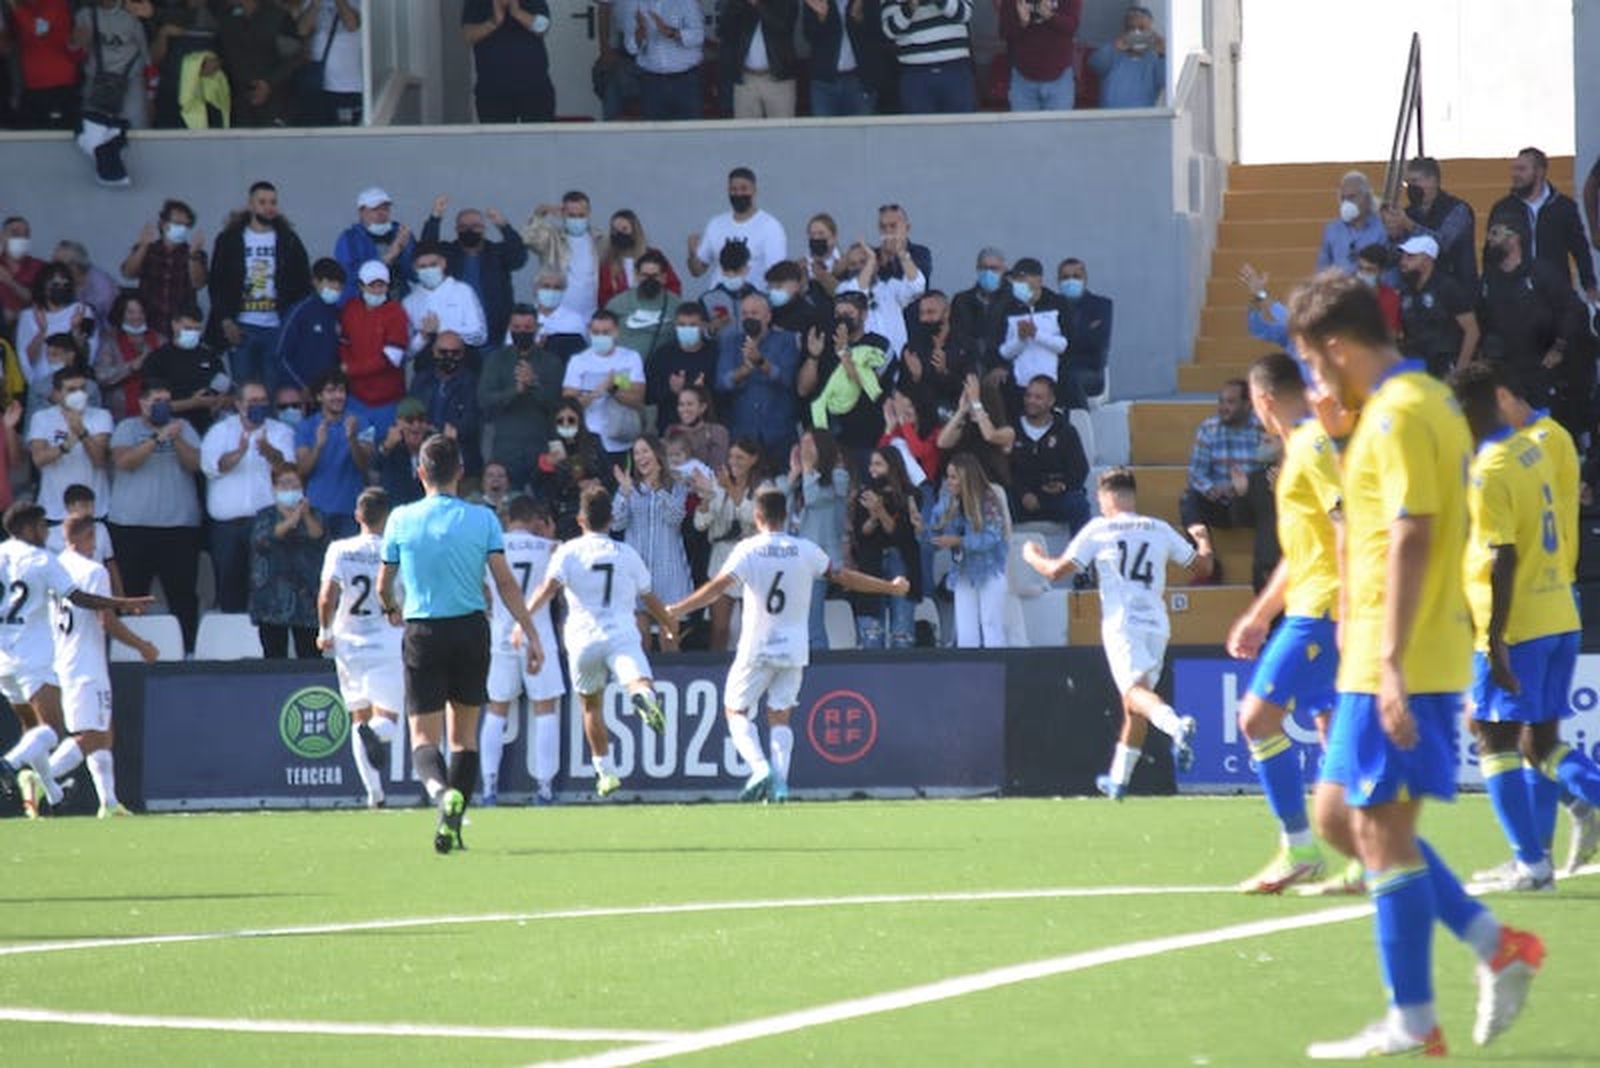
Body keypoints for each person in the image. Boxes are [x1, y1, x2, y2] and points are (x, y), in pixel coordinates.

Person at [1287, 269, 1543, 1057]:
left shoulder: (1400, 414)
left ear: (1336, 345)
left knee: (1380, 829)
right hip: (1380, 650)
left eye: (1311, 360)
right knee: (1339, 818)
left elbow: (1412, 532)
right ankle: (1497, 945)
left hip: (1401, 654)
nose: (1311, 378)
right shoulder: (1415, 402)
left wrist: (1391, 661)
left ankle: (1414, 1015)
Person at [1452, 362, 1600, 893]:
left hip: (1520, 625)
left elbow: (1503, 556)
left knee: (1493, 737)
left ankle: (1530, 863)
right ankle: (1540, 852)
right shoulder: (1531, 449)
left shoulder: (1490, 468)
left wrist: (1494, 640)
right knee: (1541, 743)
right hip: (1557, 610)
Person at [667, 487, 910, 801]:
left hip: (757, 646)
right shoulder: (805, 550)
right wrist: (889, 587)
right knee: (780, 716)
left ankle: (760, 768)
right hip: (794, 648)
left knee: (735, 710)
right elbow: (845, 577)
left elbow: (717, 588)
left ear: (757, 516)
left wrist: (679, 609)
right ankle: (780, 785)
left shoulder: (748, 550)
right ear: (786, 516)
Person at [378, 435, 543, 852]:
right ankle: (451, 827)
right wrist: (531, 631)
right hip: (471, 630)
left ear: (420, 473)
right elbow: (505, 583)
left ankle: (440, 793)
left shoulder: (401, 518)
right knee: (464, 738)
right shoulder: (483, 519)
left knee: (423, 738)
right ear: (461, 472)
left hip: (424, 631)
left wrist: (390, 607)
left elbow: (383, 584)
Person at [1224, 352, 1342, 894]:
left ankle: (1299, 848)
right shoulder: (1301, 448)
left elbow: (1346, 522)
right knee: (1333, 731)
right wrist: (1259, 614)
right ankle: (1371, 856)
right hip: (1313, 603)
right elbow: (1302, 552)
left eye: (1255, 405)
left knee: (1256, 720)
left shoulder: (1313, 445)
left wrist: (1351, 605)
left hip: (1324, 609)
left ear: (1265, 400)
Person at [1024, 468, 1212, 797]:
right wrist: (1204, 540)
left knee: (1134, 694)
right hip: (1157, 625)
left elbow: (1055, 572)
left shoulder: (1099, 529)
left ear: (1106, 497)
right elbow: (1204, 568)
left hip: (1123, 624)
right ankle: (1119, 780)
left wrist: (1032, 557)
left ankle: (1175, 726)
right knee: (1136, 702)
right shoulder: (1158, 528)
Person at [0, 501, 152, 814]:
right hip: (42, 658)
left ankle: (67, 796)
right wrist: (125, 603)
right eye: (41, 526)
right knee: (61, 731)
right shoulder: (48, 561)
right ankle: (13, 766)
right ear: (27, 528)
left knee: (35, 729)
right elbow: (82, 599)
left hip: (7, 657)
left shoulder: (5, 555)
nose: (46, 533)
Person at [528, 485, 674, 798]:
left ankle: (605, 773)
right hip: (621, 634)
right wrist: (668, 622)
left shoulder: (568, 552)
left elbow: (546, 589)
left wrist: (522, 622)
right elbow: (648, 597)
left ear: (581, 520)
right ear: (611, 520)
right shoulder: (627, 554)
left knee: (591, 705)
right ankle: (644, 697)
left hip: (583, 638)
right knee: (638, 681)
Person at [317, 487, 404, 810]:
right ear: (388, 518)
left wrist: (324, 631)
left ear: (358, 515)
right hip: (386, 639)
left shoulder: (339, 549)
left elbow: (327, 596)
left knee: (359, 714)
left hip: (348, 641)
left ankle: (374, 794)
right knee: (387, 721)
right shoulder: (395, 550)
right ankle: (374, 734)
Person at [108, 378, 204, 652]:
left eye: (167, 401)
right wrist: (156, 438)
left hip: (178, 527)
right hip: (132, 527)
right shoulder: (127, 428)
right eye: (156, 401)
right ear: (143, 403)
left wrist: (176, 439)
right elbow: (124, 461)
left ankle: (188, 651)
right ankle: (129, 651)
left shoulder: (183, 427)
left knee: (182, 595)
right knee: (132, 593)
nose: (163, 406)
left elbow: (195, 464)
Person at [480, 495, 564, 805]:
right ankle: (544, 789)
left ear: (507, 518)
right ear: (535, 520)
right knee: (545, 709)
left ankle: (489, 788)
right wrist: (550, 535)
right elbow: (558, 586)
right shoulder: (550, 547)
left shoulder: (492, 547)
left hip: (502, 633)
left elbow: (484, 587)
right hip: (538, 634)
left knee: (496, 709)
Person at [1477, 214, 1591, 436]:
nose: (1490, 239)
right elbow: (1483, 319)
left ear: (1515, 238)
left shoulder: (1541, 273)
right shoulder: (1488, 280)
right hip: (1507, 371)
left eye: (1496, 233)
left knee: (1545, 430)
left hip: (1541, 368)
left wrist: (1559, 347)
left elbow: (1573, 309)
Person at [201, 381, 297, 612]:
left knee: (268, 585)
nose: (259, 405)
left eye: (263, 401)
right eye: (253, 401)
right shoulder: (220, 431)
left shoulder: (280, 431)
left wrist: (269, 451)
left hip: (266, 523)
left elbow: (288, 471)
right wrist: (239, 452)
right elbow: (212, 467)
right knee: (230, 590)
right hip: (227, 527)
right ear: (238, 404)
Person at [207, 181, 312, 390]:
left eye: (273, 202)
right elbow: (216, 283)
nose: (268, 207)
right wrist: (226, 321)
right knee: (245, 390)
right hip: (241, 326)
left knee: (273, 389)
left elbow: (303, 283)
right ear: (251, 205)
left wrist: (292, 324)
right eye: (262, 202)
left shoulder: (289, 240)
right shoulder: (229, 239)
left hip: (276, 327)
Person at [1487, 147, 1598, 303]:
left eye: (1522, 169)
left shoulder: (1564, 207)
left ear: (1539, 172)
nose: (1515, 174)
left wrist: (1590, 286)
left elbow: (1580, 249)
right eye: (1514, 169)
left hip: (1555, 295)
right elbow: (1491, 252)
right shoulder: (1503, 208)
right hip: (1514, 297)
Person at [614, 435, 692, 647]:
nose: (641, 457)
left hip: (668, 571)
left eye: (645, 451)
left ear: (657, 455)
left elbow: (675, 518)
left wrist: (658, 489)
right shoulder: (629, 487)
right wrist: (624, 492)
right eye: (636, 453)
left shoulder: (676, 485)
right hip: (637, 571)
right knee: (640, 639)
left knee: (669, 638)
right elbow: (617, 524)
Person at [420, 196, 529, 346]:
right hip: (455, 337)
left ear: (484, 229)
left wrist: (504, 226)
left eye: (475, 226)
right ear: (456, 230)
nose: (469, 230)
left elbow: (519, 258)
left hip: (496, 334)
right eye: (463, 227)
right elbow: (426, 250)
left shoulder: (497, 253)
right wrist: (435, 217)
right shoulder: (447, 253)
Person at [478, 304, 564, 488]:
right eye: (517, 328)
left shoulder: (551, 362)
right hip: (505, 449)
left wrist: (534, 383)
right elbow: (484, 400)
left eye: (527, 328)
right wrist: (514, 390)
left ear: (536, 328)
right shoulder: (496, 360)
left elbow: (557, 405)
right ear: (510, 328)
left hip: (540, 448)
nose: (522, 332)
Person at [1178, 379, 1261, 567]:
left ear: (1247, 405)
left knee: (1271, 498)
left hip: (1249, 502)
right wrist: (1211, 489)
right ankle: (1205, 561)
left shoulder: (1261, 428)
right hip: (1218, 503)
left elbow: (1271, 470)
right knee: (1189, 499)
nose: (1223, 407)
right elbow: (1196, 473)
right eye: (1221, 401)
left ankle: (1267, 566)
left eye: (1230, 402)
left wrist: (1242, 487)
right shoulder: (1209, 428)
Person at [930, 453, 1009, 647]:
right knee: (965, 631)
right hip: (962, 571)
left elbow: (991, 537)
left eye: (953, 477)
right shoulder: (949, 500)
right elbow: (935, 527)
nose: (949, 482)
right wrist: (923, 526)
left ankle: (995, 665)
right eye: (948, 477)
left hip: (989, 571)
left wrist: (959, 540)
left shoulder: (988, 499)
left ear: (966, 478)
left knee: (991, 626)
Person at [692, 438, 762, 651]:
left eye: (740, 457)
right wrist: (706, 497)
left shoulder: (762, 487)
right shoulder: (718, 485)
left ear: (753, 459)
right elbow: (700, 524)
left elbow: (752, 517)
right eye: (731, 457)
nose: (734, 462)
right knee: (720, 628)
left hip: (751, 561)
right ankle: (716, 667)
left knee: (752, 627)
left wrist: (730, 488)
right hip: (722, 560)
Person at [251, 463, 327, 658]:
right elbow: (265, 538)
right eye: (284, 484)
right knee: (274, 656)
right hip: (272, 598)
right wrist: (293, 519)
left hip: (306, 598)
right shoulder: (265, 516)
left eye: (295, 484)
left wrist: (305, 515)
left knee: (309, 656)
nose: (290, 489)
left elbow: (318, 536)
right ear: (274, 487)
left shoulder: (315, 514)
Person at [849, 446, 921, 647]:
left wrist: (880, 511)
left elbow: (899, 533)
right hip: (871, 561)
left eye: (878, 464)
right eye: (871, 464)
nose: (872, 469)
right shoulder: (865, 494)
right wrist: (873, 517)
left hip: (901, 560)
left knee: (902, 631)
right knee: (872, 631)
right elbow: (861, 532)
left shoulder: (911, 495)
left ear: (892, 466)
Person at [717, 292, 800, 460]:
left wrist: (761, 362)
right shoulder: (730, 342)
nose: (749, 318)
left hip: (778, 432)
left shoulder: (786, 340)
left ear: (768, 316)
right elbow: (721, 383)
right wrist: (743, 371)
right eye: (745, 314)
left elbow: (787, 379)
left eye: (754, 313)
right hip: (742, 432)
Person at [294, 370, 372, 540]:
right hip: (317, 510)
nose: (337, 396)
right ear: (319, 396)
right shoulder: (305, 426)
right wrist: (318, 446)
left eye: (341, 390)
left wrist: (352, 439)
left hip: (352, 510)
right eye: (330, 391)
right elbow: (302, 470)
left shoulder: (362, 422)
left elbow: (365, 465)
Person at [28, 367, 112, 522]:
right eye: (71, 390)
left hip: (94, 508)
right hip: (54, 509)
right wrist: (67, 445)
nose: (79, 394)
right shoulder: (41, 418)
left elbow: (100, 460)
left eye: (82, 388)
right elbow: (38, 460)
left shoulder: (101, 415)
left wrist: (82, 433)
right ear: (56, 394)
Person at [563, 309, 647, 464]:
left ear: (616, 332)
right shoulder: (578, 361)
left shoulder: (630, 358)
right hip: (589, 440)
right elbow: (568, 405)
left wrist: (613, 388)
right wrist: (594, 394)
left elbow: (638, 398)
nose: (600, 336)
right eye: (596, 332)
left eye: (606, 332)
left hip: (622, 439)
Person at [339, 260, 411, 427]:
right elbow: (344, 342)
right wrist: (346, 365)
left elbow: (391, 359)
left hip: (388, 401)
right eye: (372, 286)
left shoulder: (397, 313)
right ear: (361, 286)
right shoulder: (350, 308)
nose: (377, 290)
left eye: (382, 285)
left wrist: (351, 369)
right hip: (355, 399)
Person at [1010, 375, 1088, 529]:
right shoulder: (1012, 429)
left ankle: (1083, 545)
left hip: (1055, 499)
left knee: (1078, 504)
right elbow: (1005, 470)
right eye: (1028, 396)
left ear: (1051, 401)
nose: (1031, 401)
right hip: (1020, 499)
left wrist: (1063, 486)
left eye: (1038, 397)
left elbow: (1080, 469)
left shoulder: (1065, 431)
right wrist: (1023, 493)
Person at [1395, 235, 1477, 379]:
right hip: (1417, 366)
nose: (1403, 262)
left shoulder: (1447, 287)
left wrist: (1460, 370)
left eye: (1411, 257)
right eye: (1403, 256)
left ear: (1428, 260)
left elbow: (1472, 330)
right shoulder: (1406, 291)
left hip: (1444, 364)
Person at [122, 199, 208, 337]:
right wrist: (143, 246)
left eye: (186, 225)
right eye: (177, 223)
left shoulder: (195, 253)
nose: (181, 228)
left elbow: (199, 284)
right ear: (163, 224)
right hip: (149, 325)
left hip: (179, 328)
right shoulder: (148, 249)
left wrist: (193, 255)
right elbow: (128, 273)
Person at [688, 168, 788, 284]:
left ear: (754, 191)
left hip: (755, 294)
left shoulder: (771, 227)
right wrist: (692, 254)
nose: (739, 194)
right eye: (734, 189)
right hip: (718, 294)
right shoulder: (716, 224)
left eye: (744, 189)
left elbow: (777, 274)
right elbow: (697, 271)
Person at [461, 0, 555, 122]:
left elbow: (543, 27)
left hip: (535, 87)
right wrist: (494, 22)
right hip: (492, 90)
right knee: (497, 134)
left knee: (539, 133)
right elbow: (468, 35)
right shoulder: (476, 3)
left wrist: (516, 12)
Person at [143, 304, 230, 434]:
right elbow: (153, 406)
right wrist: (193, 403)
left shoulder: (210, 356)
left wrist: (220, 401)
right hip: (171, 427)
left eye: (197, 329)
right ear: (174, 324)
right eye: (188, 328)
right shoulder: (157, 359)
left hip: (209, 425)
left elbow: (230, 393)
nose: (193, 333)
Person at [1396, 157, 1478, 290]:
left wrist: (1410, 226)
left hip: (1456, 287)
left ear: (1433, 180)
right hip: (1418, 288)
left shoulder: (1457, 209)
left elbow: (1442, 243)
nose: (1411, 187)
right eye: (1407, 183)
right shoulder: (1409, 212)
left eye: (1415, 181)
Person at [880, 0, 974, 114]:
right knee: (919, 125)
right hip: (915, 73)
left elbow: (965, 13)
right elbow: (889, 30)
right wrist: (910, 7)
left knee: (961, 124)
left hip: (955, 69)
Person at [410, 332, 482, 477]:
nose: (449, 357)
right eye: (443, 352)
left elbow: (471, 423)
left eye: (455, 353)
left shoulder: (472, 383)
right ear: (433, 352)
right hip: (423, 456)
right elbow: (411, 415)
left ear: (463, 354)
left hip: (459, 460)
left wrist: (439, 429)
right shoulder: (421, 381)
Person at [522, 192, 602, 322]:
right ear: (563, 214)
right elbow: (528, 239)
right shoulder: (552, 237)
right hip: (556, 314)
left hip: (590, 314)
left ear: (589, 213)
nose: (576, 220)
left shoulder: (598, 239)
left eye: (581, 215)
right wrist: (539, 215)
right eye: (572, 215)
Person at [533, 398, 606, 538]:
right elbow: (538, 486)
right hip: (561, 514)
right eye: (560, 421)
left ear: (579, 420)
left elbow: (609, 473)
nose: (566, 424)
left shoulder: (593, 442)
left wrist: (596, 482)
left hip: (592, 511)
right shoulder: (547, 447)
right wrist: (548, 464)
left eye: (571, 420)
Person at [16, 262, 98, 384]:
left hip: (75, 382)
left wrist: (75, 330)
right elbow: (27, 359)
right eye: (55, 284)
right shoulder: (28, 315)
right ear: (43, 287)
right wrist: (42, 331)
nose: (61, 288)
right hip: (41, 383)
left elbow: (88, 355)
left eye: (65, 284)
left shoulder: (82, 310)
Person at [402, 242, 488, 359]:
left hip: (463, 358)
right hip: (426, 363)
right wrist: (423, 335)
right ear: (415, 268)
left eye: (433, 265)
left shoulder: (463, 291)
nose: (428, 270)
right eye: (422, 267)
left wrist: (441, 329)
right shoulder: (409, 302)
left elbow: (480, 336)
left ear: (443, 263)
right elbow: (406, 353)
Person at [993, 258, 1067, 391]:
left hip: (1054, 379)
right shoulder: (1006, 309)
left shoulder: (1058, 304)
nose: (1018, 283)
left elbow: (1064, 345)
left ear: (1039, 280)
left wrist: (1036, 334)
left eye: (1022, 278)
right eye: (1015, 279)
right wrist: (1020, 339)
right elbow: (1003, 352)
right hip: (1019, 381)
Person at [802, 0, 885, 117]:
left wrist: (859, 17)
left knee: (862, 127)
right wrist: (822, 17)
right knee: (823, 128)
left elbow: (878, 35)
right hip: (823, 83)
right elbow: (809, 36)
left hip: (860, 81)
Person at [275, 257, 347, 393]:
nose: (336, 287)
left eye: (339, 283)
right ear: (315, 281)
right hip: (300, 392)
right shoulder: (300, 311)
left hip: (328, 393)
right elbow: (281, 355)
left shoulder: (338, 314)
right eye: (330, 282)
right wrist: (301, 387)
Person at [718, 0, 799, 118]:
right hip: (746, 79)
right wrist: (736, 4)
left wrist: (758, 4)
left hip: (779, 78)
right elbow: (724, 31)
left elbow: (783, 26)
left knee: (782, 128)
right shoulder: (738, 3)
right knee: (745, 129)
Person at [332, 187, 414, 304]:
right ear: (361, 212)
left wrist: (404, 249)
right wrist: (388, 257)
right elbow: (348, 275)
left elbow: (414, 273)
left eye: (385, 208)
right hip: (363, 305)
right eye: (375, 209)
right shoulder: (349, 238)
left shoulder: (400, 232)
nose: (381, 213)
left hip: (398, 303)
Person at [630, 0, 706, 120]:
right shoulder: (639, 4)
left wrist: (670, 32)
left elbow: (698, 36)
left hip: (685, 82)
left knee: (690, 129)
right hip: (651, 82)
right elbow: (632, 47)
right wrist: (640, 32)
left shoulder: (687, 2)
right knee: (653, 130)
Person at [1000, 0, 1079, 112]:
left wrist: (1050, 16)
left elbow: (1072, 26)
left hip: (1059, 76)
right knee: (1023, 124)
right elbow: (1004, 31)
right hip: (1023, 77)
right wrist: (1022, 22)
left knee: (1059, 124)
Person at [94, 293, 163, 421]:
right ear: (121, 314)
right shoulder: (109, 341)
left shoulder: (160, 340)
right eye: (131, 312)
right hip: (120, 414)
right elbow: (101, 376)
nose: (137, 317)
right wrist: (130, 367)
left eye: (141, 312)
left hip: (156, 413)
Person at [598, 209, 682, 310]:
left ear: (635, 231)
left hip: (655, 310)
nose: (619, 234)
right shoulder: (607, 263)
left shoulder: (654, 255)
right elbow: (603, 296)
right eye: (615, 230)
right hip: (622, 313)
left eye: (624, 229)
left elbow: (673, 286)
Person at [297, 0, 364, 125]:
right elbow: (302, 29)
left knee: (344, 131)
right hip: (318, 84)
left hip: (346, 87)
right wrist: (315, 4)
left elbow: (351, 25)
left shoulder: (358, 2)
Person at [605, 250, 678, 364]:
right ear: (637, 276)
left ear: (664, 277)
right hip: (623, 370)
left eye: (654, 276)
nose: (649, 280)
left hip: (661, 370)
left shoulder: (676, 305)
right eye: (645, 275)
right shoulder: (617, 304)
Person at [1089, 4, 1165, 108]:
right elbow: (1096, 65)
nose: (1136, 33)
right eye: (1131, 28)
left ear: (1150, 32)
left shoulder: (1153, 58)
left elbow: (1165, 81)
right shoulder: (1113, 53)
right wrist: (1114, 47)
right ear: (1125, 30)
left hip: (1142, 116)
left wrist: (1162, 54)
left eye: (1142, 29)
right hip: (1109, 115)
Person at [1056, 258, 1112, 399]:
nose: (1071, 281)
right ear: (1058, 281)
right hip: (1056, 369)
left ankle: (1080, 413)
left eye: (1076, 277)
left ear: (1085, 279)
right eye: (1065, 277)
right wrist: (1083, 333)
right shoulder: (1051, 305)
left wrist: (1062, 340)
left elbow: (1097, 342)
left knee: (1069, 379)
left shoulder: (1102, 305)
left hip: (1090, 371)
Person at [950, 247, 1010, 375]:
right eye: (984, 268)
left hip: (1003, 370)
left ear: (1004, 270)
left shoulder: (1014, 301)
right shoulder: (962, 300)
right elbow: (958, 336)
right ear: (977, 269)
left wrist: (1004, 367)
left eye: (994, 268)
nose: (988, 272)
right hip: (970, 368)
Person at [1315, 171, 1386, 274]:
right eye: (1343, 198)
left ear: (1367, 198)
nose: (1347, 203)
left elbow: (1387, 271)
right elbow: (1322, 268)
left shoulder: (1382, 228)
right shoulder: (1332, 230)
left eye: (1352, 197)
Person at [374, 396, 430, 506]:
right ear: (399, 423)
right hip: (396, 509)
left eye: (421, 420)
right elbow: (373, 466)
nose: (416, 426)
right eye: (410, 420)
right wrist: (387, 446)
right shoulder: (390, 446)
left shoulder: (433, 447)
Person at [0, 216, 48, 333]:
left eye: (26, 234)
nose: (21, 239)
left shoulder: (40, 267)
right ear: (2, 237)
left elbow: (44, 301)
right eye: (15, 233)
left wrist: (10, 282)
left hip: (31, 329)